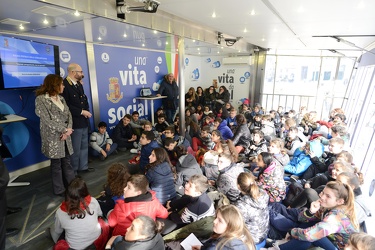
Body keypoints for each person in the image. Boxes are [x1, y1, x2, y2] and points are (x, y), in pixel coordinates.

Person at [268, 181, 359, 250]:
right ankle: (286, 240)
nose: (322, 197)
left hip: (339, 247)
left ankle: (279, 248)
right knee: (308, 226)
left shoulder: (336, 218)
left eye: (328, 196)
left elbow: (309, 235)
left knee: (311, 237)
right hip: (329, 240)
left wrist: (292, 231)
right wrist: (310, 211)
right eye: (323, 193)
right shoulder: (327, 207)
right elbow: (301, 219)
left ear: (340, 201)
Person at [35, 74, 75, 195]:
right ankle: (59, 190)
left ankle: (73, 186)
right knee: (56, 164)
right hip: (53, 137)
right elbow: (46, 120)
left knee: (67, 162)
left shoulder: (61, 98)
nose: (63, 86)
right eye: (61, 84)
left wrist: (68, 131)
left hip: (65, 135)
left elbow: (69, 115)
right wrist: (64, 130)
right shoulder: (41, 99)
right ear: (54, 85)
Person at [49, 177, 107, 250]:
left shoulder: (60, 212)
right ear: (85, 191)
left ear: (67, 194)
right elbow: (100, 214)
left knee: (53, 230)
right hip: (96, 242)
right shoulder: (93, 201)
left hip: (75, 247)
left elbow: (58, 231)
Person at [61, 63, 93, 173]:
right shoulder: (64, 85)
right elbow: (66, 106)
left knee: (84, 146)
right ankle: (73, 171)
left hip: (83, 120)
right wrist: (81, 112)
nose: (82, 74)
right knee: (75, 148)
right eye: (80, 72)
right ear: (73, 72)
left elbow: (83, 100)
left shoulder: (78, 84)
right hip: (74, 122)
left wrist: (86, 111)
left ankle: (83, 167)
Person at [235, 172, 269, 245]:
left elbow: (236, 225)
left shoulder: (241, 205)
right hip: (264, 233)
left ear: (238, 186)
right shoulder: (263, 194)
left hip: (253, 239)